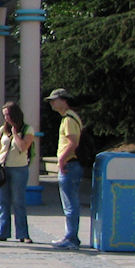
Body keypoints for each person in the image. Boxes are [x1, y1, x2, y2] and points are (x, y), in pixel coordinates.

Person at [0, 102, 35, 243]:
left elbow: (23, 147)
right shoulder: (2, 130)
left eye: (8, 114)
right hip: (2, 168)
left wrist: (15, 134)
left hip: (19, 168)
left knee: (18, 201)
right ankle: (2, 232)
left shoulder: (27, 129)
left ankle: (23, 234)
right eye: (4, 115)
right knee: (2, 201)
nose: (6, 118)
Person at [47, 88, 84, 249]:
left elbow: (73, 142)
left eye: (54, 100)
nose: (51, 103)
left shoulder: (68, 119)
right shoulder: (69, 118)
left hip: (69, 164)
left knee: (70, 204)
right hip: (71, 164)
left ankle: (71, 238)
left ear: (64, 100)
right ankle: (70, 236)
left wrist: (62, 160)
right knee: (70, 203)